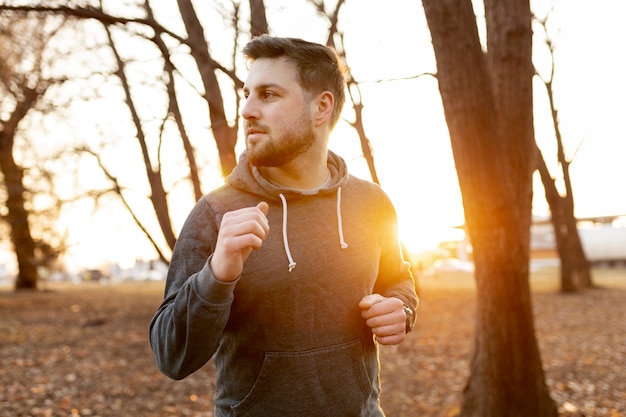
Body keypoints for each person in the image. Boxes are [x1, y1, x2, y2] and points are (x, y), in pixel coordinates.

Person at [149, 35, 418, 417]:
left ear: (321, 106)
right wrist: (216, 275)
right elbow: (171, 356)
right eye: (246, 94)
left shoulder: (372, 203)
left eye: (268, 95)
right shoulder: (215, 212)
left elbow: (398, 279)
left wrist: (401, 309)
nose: (246, 110)